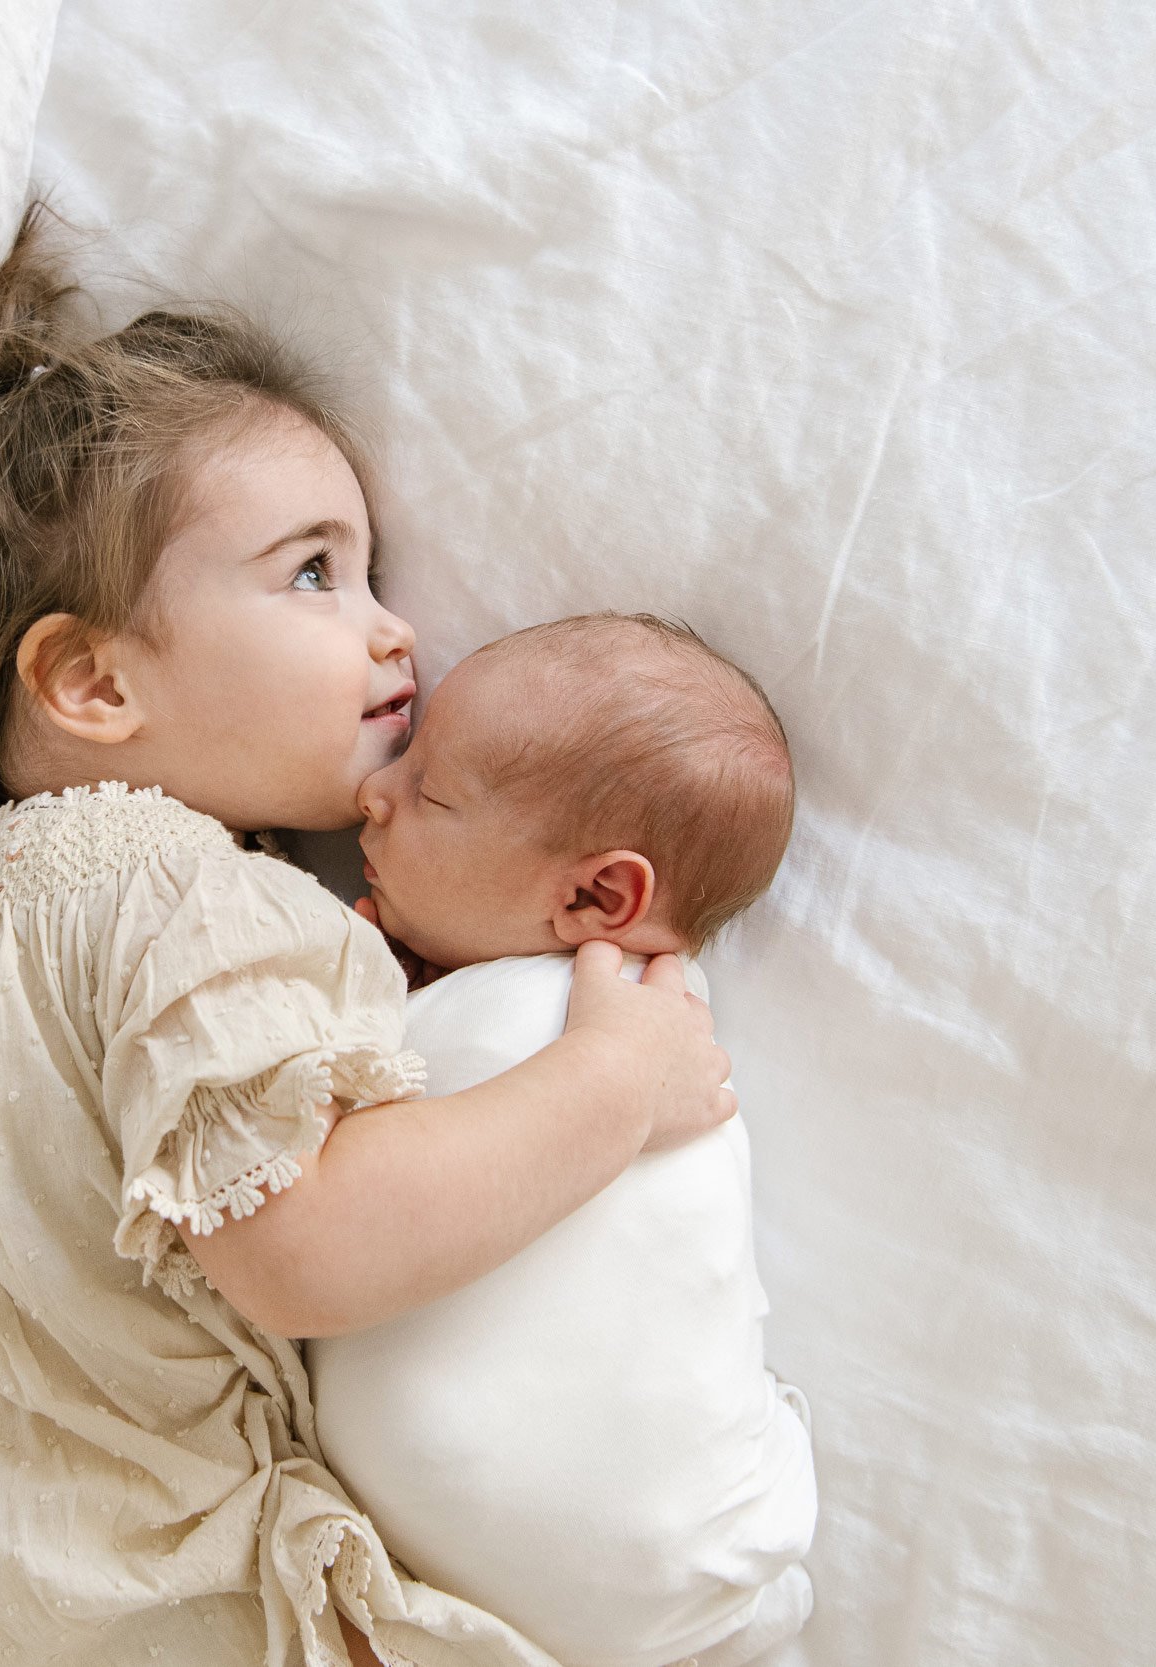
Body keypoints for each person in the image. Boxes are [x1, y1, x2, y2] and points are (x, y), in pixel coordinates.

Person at [0, 206, 735, 1667]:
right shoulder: (182, 890)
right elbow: (307, 1242)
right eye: (315, 573)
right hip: (144, 1603)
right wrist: (615, 1083)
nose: (397, 633)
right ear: (90, 680)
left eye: (372, 572)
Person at [316, 614, 818, 1667]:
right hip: (702, 1573)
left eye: (428, 790)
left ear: (595, 897)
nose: (373, 791)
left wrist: (346, 1002)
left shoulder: (584, 1016)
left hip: (467, 1589)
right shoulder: (655, 1027)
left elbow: (314, 1178)